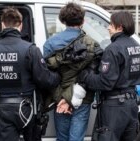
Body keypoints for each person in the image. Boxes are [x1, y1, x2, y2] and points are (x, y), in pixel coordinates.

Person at [0, 7, 60, 141]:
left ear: (2, 25)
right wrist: (59, 76)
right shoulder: (31, 50)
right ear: (21, 25)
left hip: (3, 107)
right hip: (28, 108)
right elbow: (44, 80)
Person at [78, 11, 140, 141]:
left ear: (119, 27)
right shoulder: (137, 46)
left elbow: (105, 82)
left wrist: (85, 76)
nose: (108, 28)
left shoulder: (113, 49)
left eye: (111, 24)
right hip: (131, 105)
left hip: (114, 108)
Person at [43, 2, 101, 141]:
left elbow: (46, 75)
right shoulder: (92, 43)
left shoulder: (51, 43)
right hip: (83, 98)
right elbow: (94, 73)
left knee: (62, 138)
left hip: (59, 98)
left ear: (63, 21)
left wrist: (63, 99)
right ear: (83, 21)